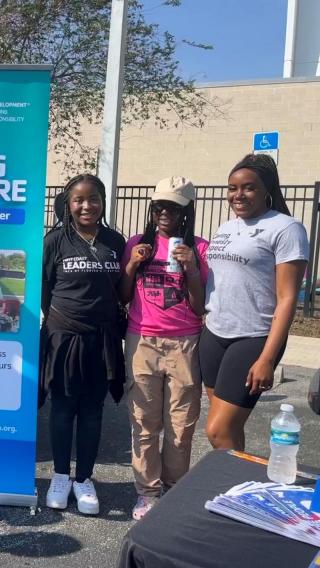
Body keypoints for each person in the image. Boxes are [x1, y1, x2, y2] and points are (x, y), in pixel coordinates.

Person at [201, 154, 308, 450]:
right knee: (229, 430)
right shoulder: (226, 228)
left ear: (266, 190)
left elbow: (287, 298)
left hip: (254, 338)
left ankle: (236, 478)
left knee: (218, 431)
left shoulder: (287, 228)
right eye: (232, 188)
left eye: (248, 187)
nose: (238, 195)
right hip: (215, 334)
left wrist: (267, 359)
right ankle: (237, 478)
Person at [119, 177, 208, 520]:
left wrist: (192, 269)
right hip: (142, 340)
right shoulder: (137, 243)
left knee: (181, 425)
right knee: (143, 422)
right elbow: (123, 295)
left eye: (172, 207)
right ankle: (147, 492)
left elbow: (199, 307)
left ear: (187, 212)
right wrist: (132, 265)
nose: (164, 213)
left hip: (184, 342)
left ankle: (173, 489)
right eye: (159, 207)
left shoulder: (199, 248)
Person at [40, 174, 126, 516]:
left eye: (93, 199)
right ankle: (61, 476)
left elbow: (121, 290)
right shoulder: (54, 241)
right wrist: (62, 321)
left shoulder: (115, 241)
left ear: (103, 202)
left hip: (102, 340)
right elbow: (44, 291)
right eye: (78, 200)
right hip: (64, 338)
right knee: (62, 409)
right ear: (68, 204)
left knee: (92, 412)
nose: (86, 206)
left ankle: (84, 479)